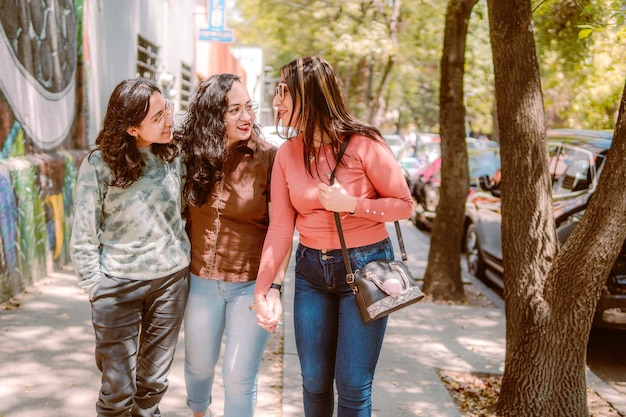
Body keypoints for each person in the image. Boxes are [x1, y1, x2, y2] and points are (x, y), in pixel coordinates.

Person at [253, 56, 413, 417]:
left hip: (367, 267)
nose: (276, 101)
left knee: (354, 386)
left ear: (308, 96)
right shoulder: (287, 154)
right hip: (311, 271)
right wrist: (265, 289)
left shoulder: (364, 144)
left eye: (283, 92)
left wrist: (353, 204)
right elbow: (280, 227)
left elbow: (404, 205)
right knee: (313, 382)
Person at [70, 78, 191, 417]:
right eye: (158, 117)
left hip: (169, 284)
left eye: (167, 110)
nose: (169, 121)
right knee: (118, 390)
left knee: (152, 385)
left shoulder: (174, 155)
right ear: (132, 128)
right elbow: (83, 230)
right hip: (117, 286)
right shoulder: (99, 165)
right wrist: (95, 286)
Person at [176, 73, 290, 417]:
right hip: (200, 281)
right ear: (214, 116)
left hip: (250, 286)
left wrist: (274, 288)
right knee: (198, 366)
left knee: (239, 376)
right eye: (234, 110)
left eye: (249, 107)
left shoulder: (270, 159)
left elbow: (282, 227)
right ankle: (200, 412)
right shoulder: (190, 155)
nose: (246, 117)